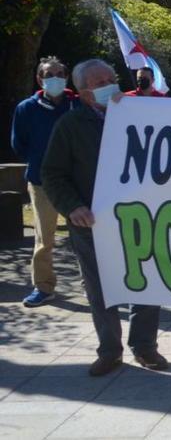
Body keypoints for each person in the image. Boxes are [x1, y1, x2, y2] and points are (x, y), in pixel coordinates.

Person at [41, 59, 167, 376]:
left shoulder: (141, 115)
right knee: (100, 290)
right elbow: (53, 174)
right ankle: (110, 351)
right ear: (83, 93)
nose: (108, 85)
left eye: (110, 78)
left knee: (147, 284)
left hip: (143, 218)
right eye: (99, 83)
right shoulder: (69, 127)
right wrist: (72, 207)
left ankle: (145, 347)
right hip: (92, 223)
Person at [11, 57, 77, 307]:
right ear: (40, 79)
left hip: (77, 182)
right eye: (50, 74)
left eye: (60, 73)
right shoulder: (26, 108)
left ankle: (91, 286)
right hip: (42, 182)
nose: (56, 78)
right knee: (44, 240)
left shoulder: (78, 104)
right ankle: (43, 286)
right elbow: (19, 144)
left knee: (84, 237)